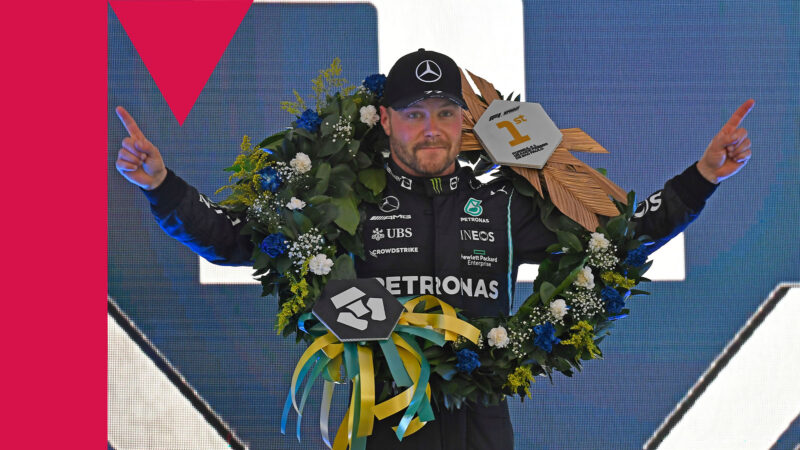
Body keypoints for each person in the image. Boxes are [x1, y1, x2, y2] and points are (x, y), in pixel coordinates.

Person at [115, 49, 753, 449]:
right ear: (386, 120)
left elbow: (618, 238)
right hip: (384, 419)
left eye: (445, 112)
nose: (431, 128)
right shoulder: (339, 203)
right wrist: (164, 187)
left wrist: (700, 178)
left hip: (484, 421)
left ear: (464, 124)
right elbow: (233, 239)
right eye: (414, 113)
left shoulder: (506, 204)